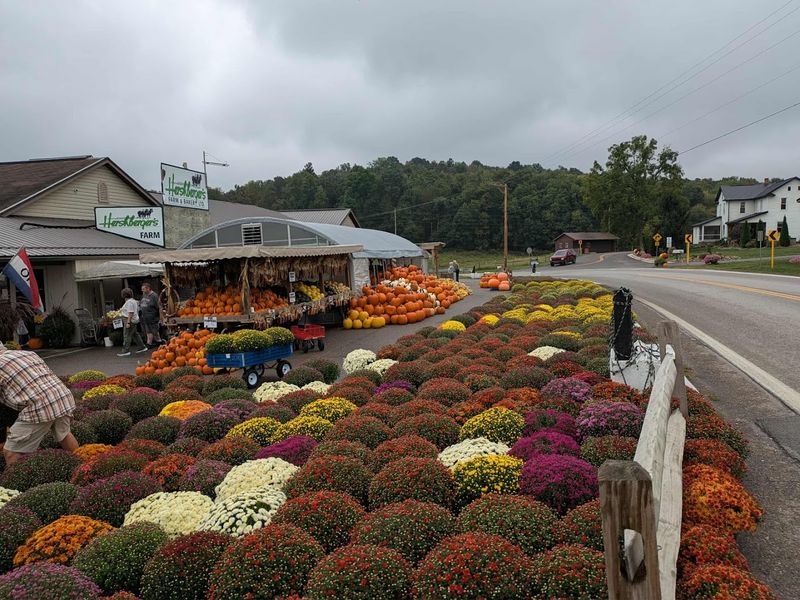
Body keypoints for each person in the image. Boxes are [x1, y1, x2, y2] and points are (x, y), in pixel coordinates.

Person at [0, 341, 79, 466]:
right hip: (61, 396)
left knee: (11, 452)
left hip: (39, 406)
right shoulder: (26, 353)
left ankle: (15, 485)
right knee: (64, 435)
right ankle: (84, 468)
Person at [117, 288, 148, 357]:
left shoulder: (129, 302)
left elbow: (130, 312)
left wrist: (128, 322)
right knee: (135, 334)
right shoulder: (133, 301)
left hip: (130, 320)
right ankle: (142, 347)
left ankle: (125, 350)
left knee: (127, 335)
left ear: (124, 295)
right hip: (134, 320)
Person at [139, 282, 163, 348]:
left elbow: (159, 307)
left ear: (148, 288)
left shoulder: (154, 296)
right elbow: (142, 303)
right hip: (146, 317)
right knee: (148, 331)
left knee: (154, 331)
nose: (142, 290)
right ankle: (151, 343)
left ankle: (157, 342)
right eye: (142, 289)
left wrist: (161, 318)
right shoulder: (144, 295)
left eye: (143, 289)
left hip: (153, 317)